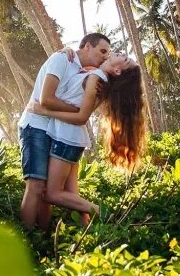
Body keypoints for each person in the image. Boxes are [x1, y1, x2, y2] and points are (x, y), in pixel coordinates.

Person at [29, 53, 146, 227]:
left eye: (126, 59)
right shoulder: (98, 77)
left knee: (51, 194)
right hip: (71, 139)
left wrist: (46, 112)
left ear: (117, 70)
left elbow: (82, 117)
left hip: (66, 139)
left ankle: (104, 213)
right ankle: (91, 233)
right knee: (71, 194)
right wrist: (68, 50)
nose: (122, 54)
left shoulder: (96, 78)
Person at [18, 33, 111, 229]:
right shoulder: (62, 58)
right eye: (102, 51)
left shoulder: (82, 70)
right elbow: (46, 99)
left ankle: (42, 238)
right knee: (35, 186)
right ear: (87, 46)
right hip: (35, 124)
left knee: (46, 192)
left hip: (52, 129)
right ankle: (26, 240)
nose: (105, 56)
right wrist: (77, 111)